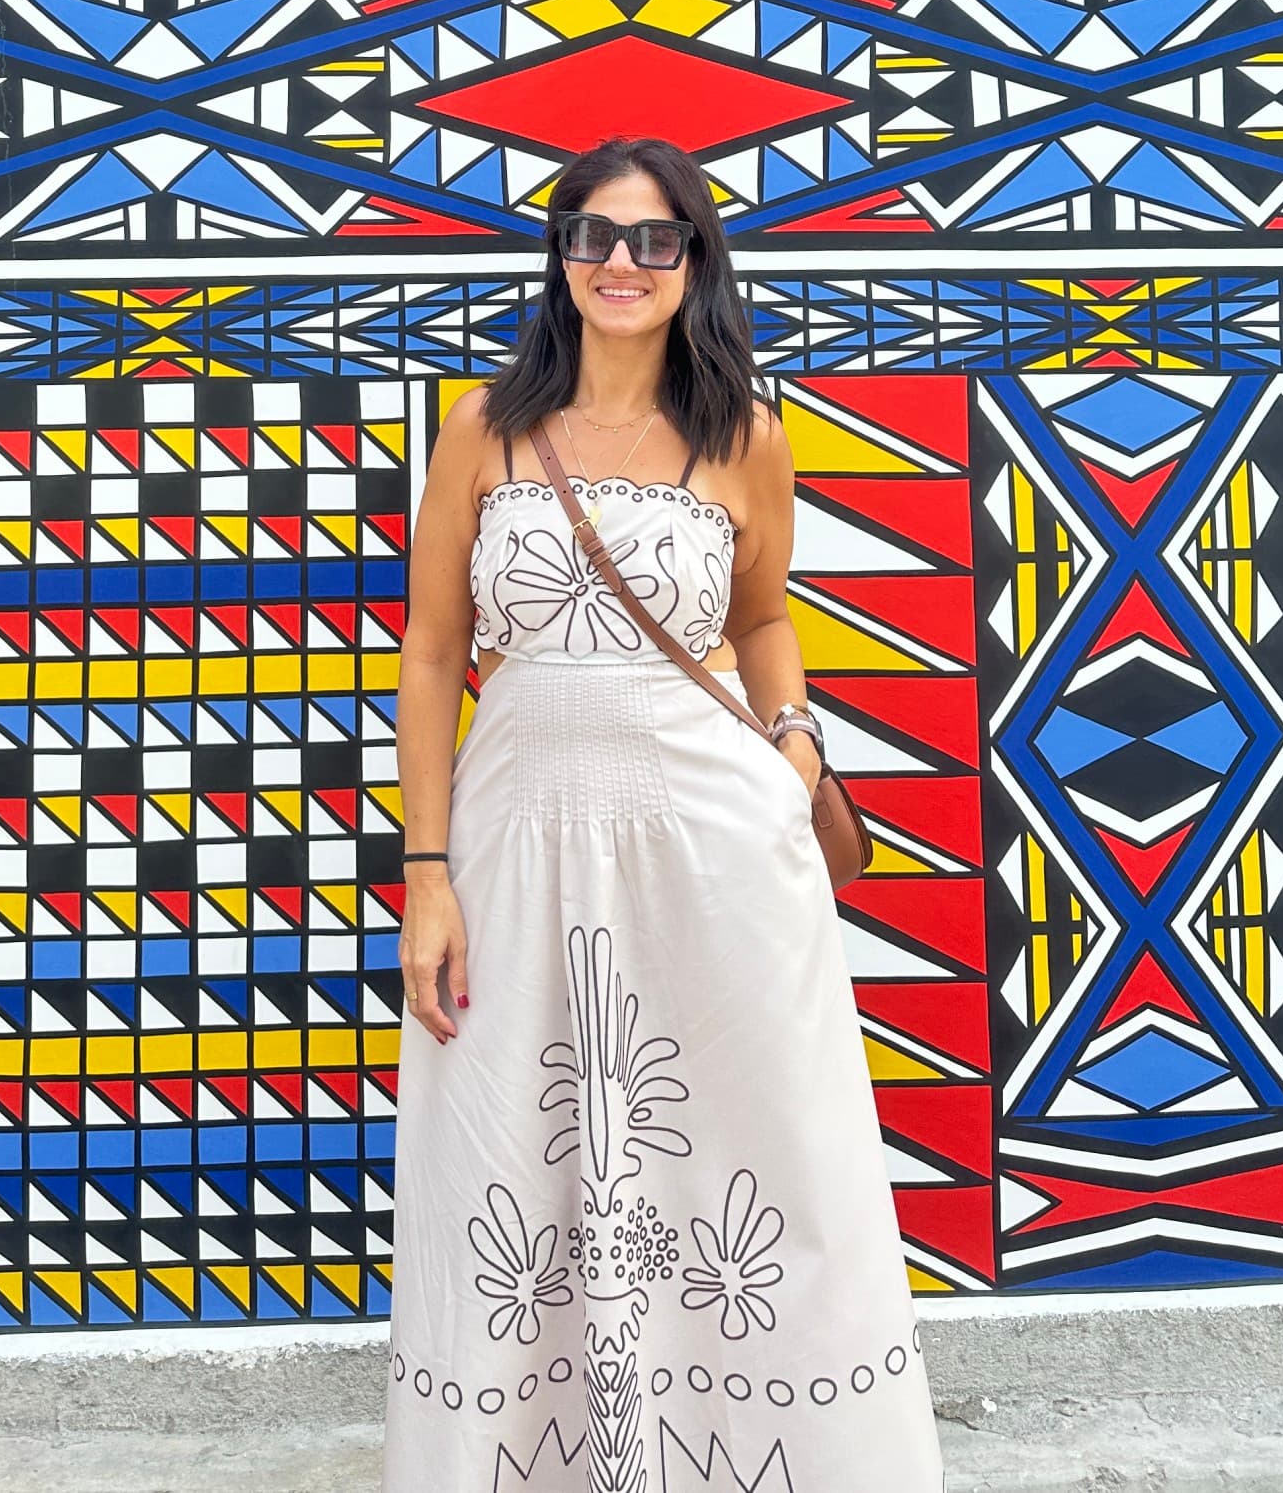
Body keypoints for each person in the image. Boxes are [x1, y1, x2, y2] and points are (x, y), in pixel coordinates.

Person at [383, 136, 944, 1492]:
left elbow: (760, 616)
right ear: (558, 258)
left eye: (651, 240)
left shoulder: (744, 435)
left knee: (748, 1153)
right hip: (519, 837)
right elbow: (430, 651)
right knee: (519, 1146)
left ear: (695, 260)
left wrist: (798, 750)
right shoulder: (485, 429)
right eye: (590, 236)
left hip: (715, 841)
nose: (619, 264)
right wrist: (428, 873)